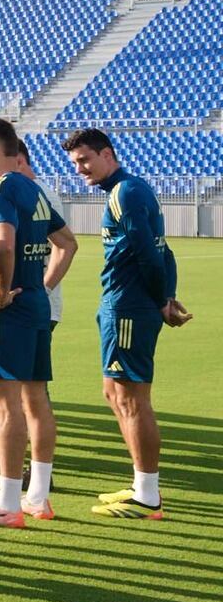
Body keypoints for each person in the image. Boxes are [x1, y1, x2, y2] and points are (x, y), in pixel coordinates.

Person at [64, 128, 192, 519]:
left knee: (131, 399)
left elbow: (149, 256)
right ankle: (140, 484)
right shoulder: (131, 191)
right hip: (127, 305)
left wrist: (159, 301)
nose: (81, 170)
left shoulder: (126, 193)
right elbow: (162, 250)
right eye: (75, 164)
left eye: (85, 160)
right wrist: (166, 297)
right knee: (113, 393)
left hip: (129, 308)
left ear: (108, 154)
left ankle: (148, 496)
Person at [0, 118, 76, 527]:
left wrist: (2, 288)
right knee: (36, 400)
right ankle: (38, 497)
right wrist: (40, 287)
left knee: (4, 403)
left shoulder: (0, 188)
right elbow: (67, 243)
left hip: (8, 311)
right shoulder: (33, 188)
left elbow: (3, 242)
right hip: (34, 306)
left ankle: (8, 503)